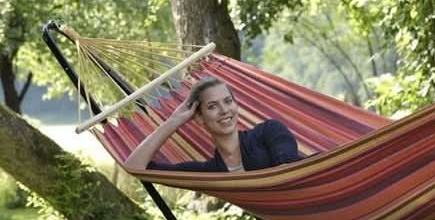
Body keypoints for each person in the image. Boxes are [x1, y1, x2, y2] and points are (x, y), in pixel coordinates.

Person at [123, 76, 302, 172]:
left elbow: (289, 173)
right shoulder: (210, 173)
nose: (224, 110)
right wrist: (173, 121)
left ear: (236, 105)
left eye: (228, 101)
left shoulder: (269, 131)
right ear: (199, 117)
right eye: (212, 106)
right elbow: (134, 166)